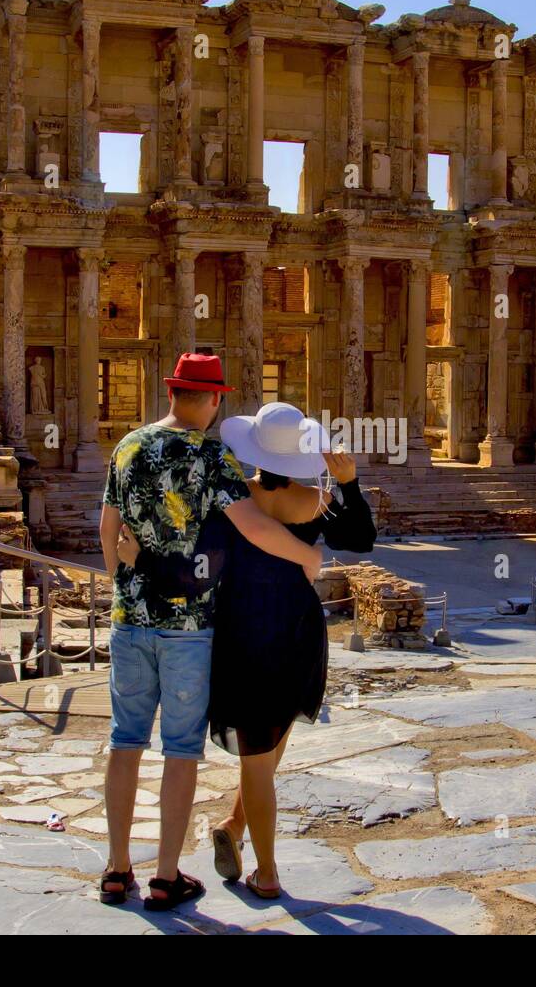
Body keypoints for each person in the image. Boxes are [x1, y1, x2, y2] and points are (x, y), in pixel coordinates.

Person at [97, 355, 323, 912]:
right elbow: (251, 524)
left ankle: (116, 869)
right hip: (189, 628)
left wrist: (123, 579)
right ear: (215, 400)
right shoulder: (212, 456)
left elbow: (108, 529)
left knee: (124, 742)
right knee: (179, 751)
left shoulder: (128, 446)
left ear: (173, 392)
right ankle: (166, 876)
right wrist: (306, 556)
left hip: (130, 622)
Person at [135, 401, 377, 899]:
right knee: (265, 749)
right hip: (296, 627)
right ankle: (255, 858)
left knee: (260, 751)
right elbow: (361, 539)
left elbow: (197, 555)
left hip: (241, 626)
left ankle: (248, 845)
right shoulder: (315, 501)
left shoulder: (233, 498)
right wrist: (349, 483)